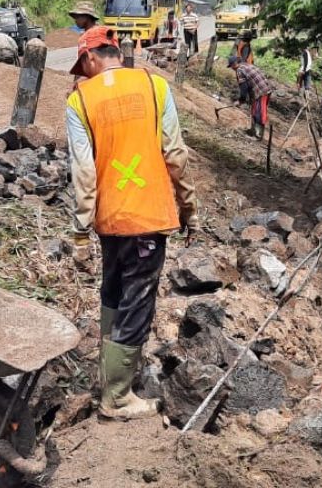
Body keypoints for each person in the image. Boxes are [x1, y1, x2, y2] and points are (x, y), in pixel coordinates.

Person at [66, 26, 197, 420]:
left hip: (110, 219)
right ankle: (118, 397)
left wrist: (79, 230)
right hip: (148, 214)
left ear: (90, 58)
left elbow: (83, 172)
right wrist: (188, 206)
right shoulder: (154, 86)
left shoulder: (80, 101)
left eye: (82, 66)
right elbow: (174, 152)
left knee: (113, 292)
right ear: (113, 53)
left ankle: (110, 380)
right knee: (137, 302)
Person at [228, 55, 271, 139]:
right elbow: (250, 82)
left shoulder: (239, 70)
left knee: (259, 113)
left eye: (231, 66)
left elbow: (244, 87)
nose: (232, 68)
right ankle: (253, 131)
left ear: (234, 64)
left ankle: (258, 136)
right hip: (266, 89)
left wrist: (241, 100)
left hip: (261, 91)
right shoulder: (247, 65)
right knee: (255, 110)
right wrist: (250, 97)